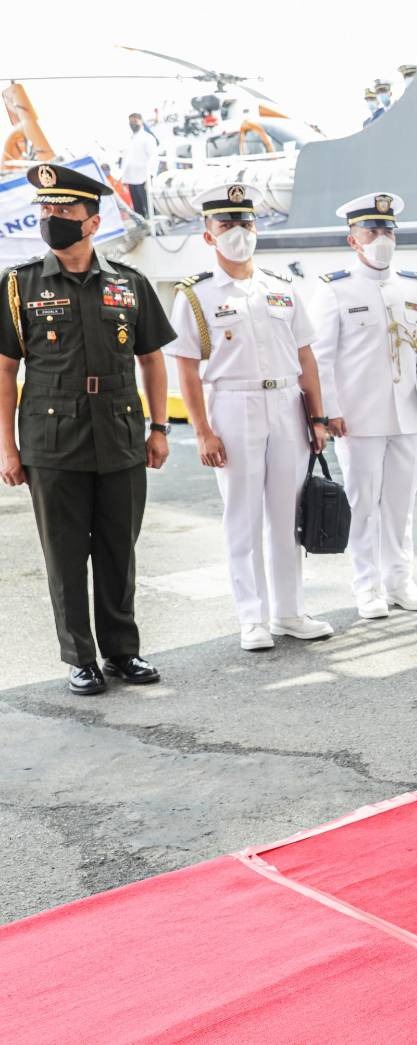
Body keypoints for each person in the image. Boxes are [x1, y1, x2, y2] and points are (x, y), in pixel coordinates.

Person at [0, 163, 174, 695]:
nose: (52, 218)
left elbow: (153, 360)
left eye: (64, 210)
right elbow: (5, 370)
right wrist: (7, 449)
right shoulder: (18, 285)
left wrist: (161, 427)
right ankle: (80, 656)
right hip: (52, 441)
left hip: (120, 435)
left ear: (92, 222)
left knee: (120, 549)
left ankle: (123, 651)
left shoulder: (129, 283)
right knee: (66, 554)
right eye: (46, 210)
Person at [165, 183, 335, 652]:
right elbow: (185, 366)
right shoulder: (195, 295)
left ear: (256, 229)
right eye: (226, 224)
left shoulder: (281, 288)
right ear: (208, 235)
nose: (238, 232)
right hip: (233, 406)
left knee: (287, 514)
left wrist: (318, 418)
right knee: (242, 515)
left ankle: (288, 611)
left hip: (285, 404)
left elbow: (306, 357)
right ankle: (252, 618)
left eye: (245, 222)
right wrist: (202, 431)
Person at [310, 192, 417, 619]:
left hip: (407, 415)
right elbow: (321, 358)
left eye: (387, 229)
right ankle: (367, 587)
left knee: (400, 504)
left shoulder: (413, 286)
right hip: (357, 418)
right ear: (353, 240)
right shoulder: (334, 289)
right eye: (372, 230)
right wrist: (329, 410)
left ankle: (399, 580)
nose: (381, 237)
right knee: (362, 504)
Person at [120, 113, 159, 219]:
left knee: (149, 206)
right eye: (130, 122)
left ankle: (157, 228)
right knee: (138, 209)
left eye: (134, 121)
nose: (132, 124)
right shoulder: (129, 140)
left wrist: (150, 175)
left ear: (141, 121)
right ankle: (145, 228)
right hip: (131, 179)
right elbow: (125, 160)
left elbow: (153, 158)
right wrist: (123, 178)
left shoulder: (148, 138)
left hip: (144, 177)